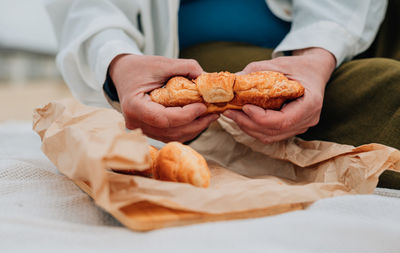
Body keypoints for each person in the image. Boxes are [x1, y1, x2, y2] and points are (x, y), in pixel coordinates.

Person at [46, 0, 400, 188]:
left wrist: (317, 54)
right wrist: (117, 62)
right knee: (386, 87)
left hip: (352, 26)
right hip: (210, 56)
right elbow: (86, 6)